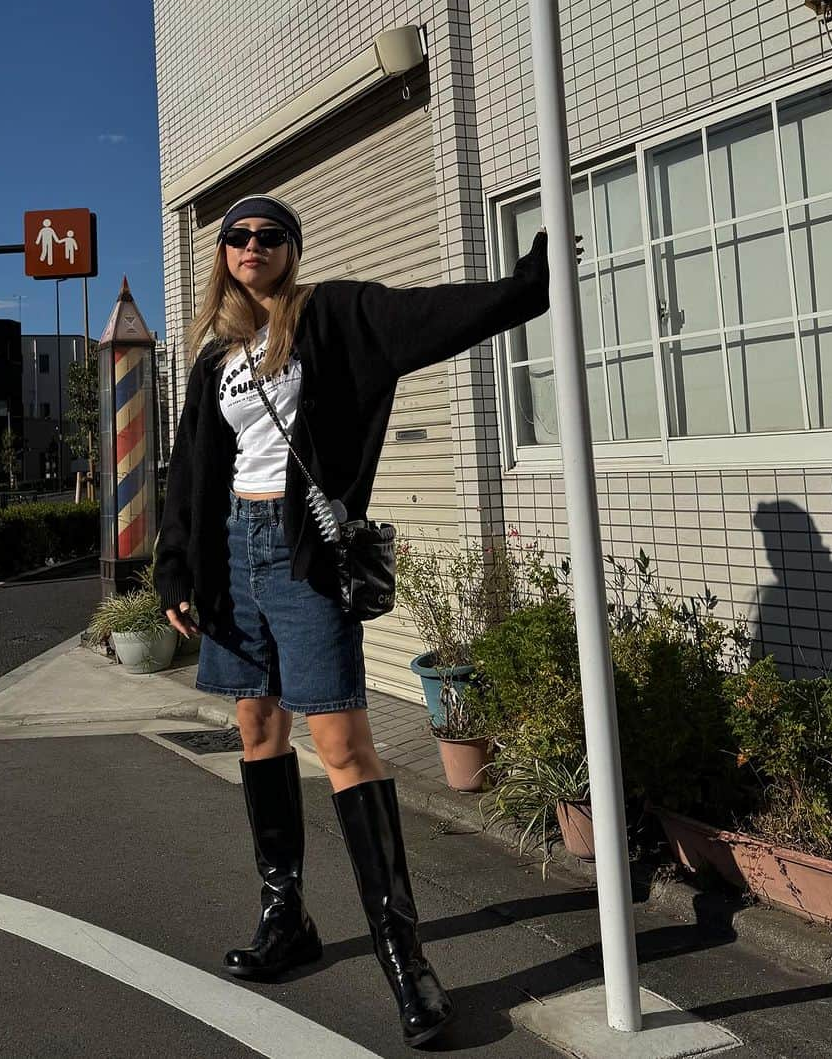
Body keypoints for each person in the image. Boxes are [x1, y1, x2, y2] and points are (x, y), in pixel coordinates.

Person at [156, 192, 553, 1048]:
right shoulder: (215, 356)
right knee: (257, 727)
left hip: (301, 556)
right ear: (222, 254)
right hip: (231, 554)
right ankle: (284, 916)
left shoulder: (329, 316)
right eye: (238, 237)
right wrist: (175, 567)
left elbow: (421, 318)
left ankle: (403, 956)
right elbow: (191, 463)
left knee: (342, 745)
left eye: (269, 235)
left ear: (290, 249)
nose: (251, 246)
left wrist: (520, 290)